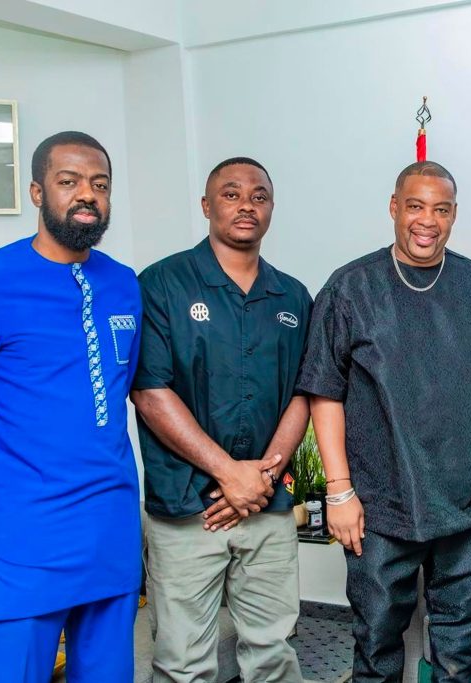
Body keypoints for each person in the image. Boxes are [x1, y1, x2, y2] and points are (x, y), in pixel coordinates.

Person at [0, 131, 142, 682]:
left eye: (100, 184)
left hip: (110, 531)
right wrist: (9, 469)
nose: (86, 195)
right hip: (26, 539)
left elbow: (118, 393)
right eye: (69, 181)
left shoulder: (123, 284)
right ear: (37, 192)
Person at [297, 161, 471, 682]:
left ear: (454, 215)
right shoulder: (349, 288)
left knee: (457, 655)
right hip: (379, 505)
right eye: (415, 206)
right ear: (394, 207)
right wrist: (339, 492)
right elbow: (325, 393)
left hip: (468, 506)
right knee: (377, 646)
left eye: (441, 209)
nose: (427, 220)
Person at [131, 157, 311, 683]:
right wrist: (230, 474)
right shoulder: (162, 283)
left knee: (274, 652)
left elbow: (304, 393)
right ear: (207, 206)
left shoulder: (293, 296)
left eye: (259, 196)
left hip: (267, 508)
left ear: (272, 209)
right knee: (184, 664)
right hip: (188, 508)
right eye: (231, 195)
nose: (246, 205)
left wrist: (260, 480)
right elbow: (149, 392)